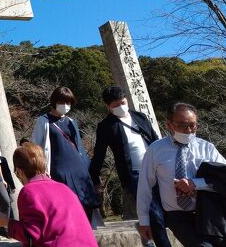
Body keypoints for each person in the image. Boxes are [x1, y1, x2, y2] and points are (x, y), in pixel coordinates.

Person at [89, 86, 170, 247]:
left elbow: (156, 141)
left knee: (166, 212)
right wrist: (93, 178)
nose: (120, 107)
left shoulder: (140, 117)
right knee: (155, 214)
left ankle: (144, 230)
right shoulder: (106, 126)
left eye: (123, 102)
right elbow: (99, 154)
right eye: (115, 105)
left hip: (157, 170)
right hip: (134, 175)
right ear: (108, 107)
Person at [137, 103, 226, 246]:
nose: (189, 130)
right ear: (170, 125)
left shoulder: (207, 148)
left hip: (208, 212)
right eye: (183, 126)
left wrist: (195, 184)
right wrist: (144, 221)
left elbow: (223, 177)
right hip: (178, 216)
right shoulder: (156, 150)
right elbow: (144, 186)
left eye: (193, 125)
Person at [0, 142, 98, 246]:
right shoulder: (64, 188)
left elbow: (31, 236)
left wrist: (7, 223)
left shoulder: (29, 192)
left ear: (20, 171)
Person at [31, 86, 101, 224]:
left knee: (87, 204)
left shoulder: (71, 122)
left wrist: (93, 174)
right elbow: (35, 147)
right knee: (67, 206)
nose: (66, 106)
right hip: (58, 171)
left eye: (69, 103)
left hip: (80, 170)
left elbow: (79, 147)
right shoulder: (44, 121)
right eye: (62, 102)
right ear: (54, 101)